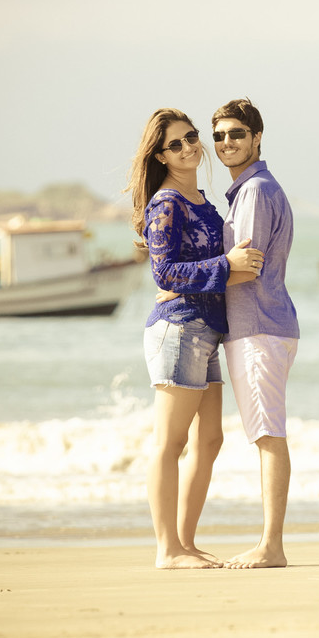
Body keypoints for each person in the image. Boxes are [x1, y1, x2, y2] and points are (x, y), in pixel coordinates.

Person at [127, 108, 264, 569]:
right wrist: (228, 265)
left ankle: (185, 542)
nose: (188, 148)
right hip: (179, 327)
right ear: (160, 156)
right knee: (170, 442)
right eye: (175, 144)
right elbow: (163, 273)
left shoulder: (203, 201)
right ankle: (167, 550)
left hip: (208, 329)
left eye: (191, 138)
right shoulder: (166, 204)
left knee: (209, 442)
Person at [212, 98, 300, 569]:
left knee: (268, 434)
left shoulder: (256, 192)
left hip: (259, 327)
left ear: (257, 138)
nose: (227, 143)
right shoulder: (249, 191)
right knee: (266, 432)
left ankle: (271, 546)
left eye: (237, 134)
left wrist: (180, 283)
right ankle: (271, 543)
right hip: (261, 326)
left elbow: (245, 267)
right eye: (220, 136)